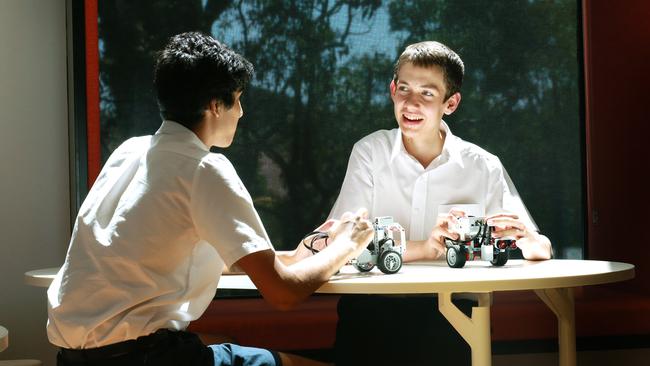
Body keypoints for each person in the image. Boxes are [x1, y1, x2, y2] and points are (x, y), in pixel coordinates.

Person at [47, 32, 374, 366]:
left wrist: (300, 254)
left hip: (75, 359)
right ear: (216, 105)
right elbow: (284, 293)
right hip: (144, 358)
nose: (242, 112)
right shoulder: (204, 168)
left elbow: (171, 259)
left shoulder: (129, 152)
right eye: (238, 99)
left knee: (224, 345)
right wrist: (346, 245)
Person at [328, 41, 553, 365]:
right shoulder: (370, 152)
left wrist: (526, 239)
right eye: (404, 88)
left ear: (451, 102)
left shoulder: (482, 164)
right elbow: (341, 245)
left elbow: (540, 249)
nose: (411, 103)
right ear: (392, 90)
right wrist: (426, 248)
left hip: (455, 317)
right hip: (371, 312)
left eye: (427, 93)